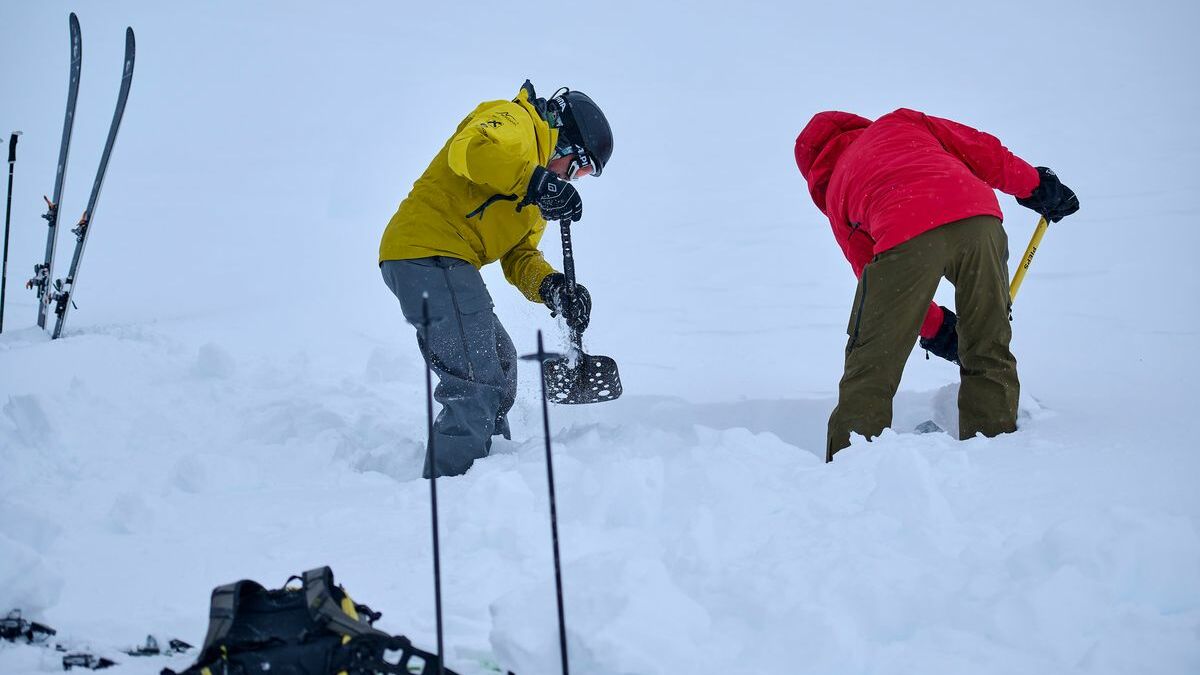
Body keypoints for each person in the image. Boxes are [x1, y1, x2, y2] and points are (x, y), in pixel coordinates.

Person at [794, 108, 1078, 461]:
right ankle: (997, 450)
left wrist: (936, 328)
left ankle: (853, 460)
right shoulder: (902, 122)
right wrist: (1036, 186)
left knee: (873, 360)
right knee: (988, 341)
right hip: (978, 220)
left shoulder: (838, 188)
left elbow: (877, 280)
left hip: (904, 234)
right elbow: (981, 151)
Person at [379, 80, 613, 478]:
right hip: (428, 250)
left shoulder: (536, 196)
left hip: (450, 262)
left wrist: (553, 288)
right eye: (578, 167)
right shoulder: (515, 122)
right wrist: (536, 180)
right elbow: (469, 151)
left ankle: (489, 473)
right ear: (564, 141)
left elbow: (520, 258)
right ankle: (453, 487)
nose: (572, 179)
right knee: (476, 381)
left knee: (501, 366)